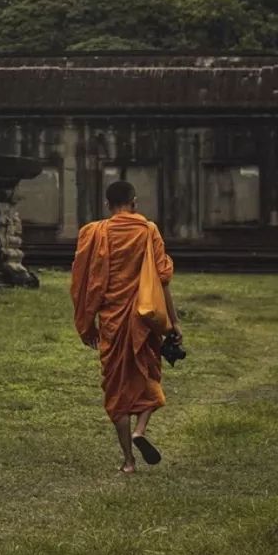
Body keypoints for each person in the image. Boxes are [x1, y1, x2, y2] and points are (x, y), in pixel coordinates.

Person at [70, 179, 182, 474]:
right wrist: (173, 322)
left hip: (111, 321)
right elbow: (163, 279)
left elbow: (83, 282)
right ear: (134, 202)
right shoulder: (148, 231)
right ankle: (141, 430)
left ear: (108, 205)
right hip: (145, 321)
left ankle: (129, 461)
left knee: (117, 387)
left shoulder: (94, 233)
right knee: (148, 374)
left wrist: (87, 323)